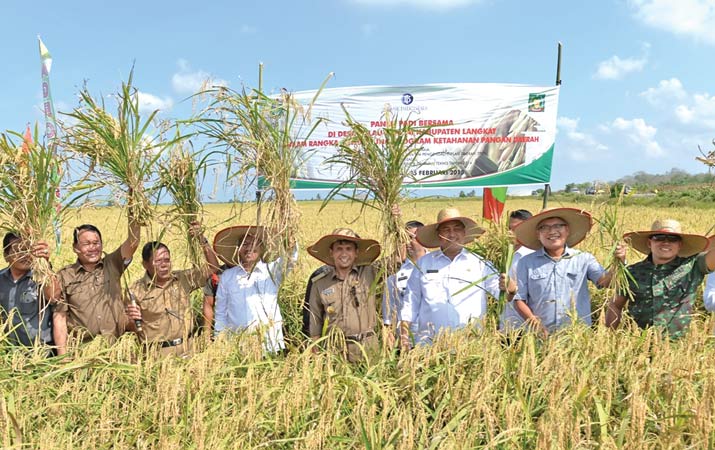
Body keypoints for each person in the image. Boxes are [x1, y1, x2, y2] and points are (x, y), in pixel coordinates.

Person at [511, 208, 625, 336]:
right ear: (538, 234)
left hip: (577, 336)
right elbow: (519, 299)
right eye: (544, 227)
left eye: (558, 226)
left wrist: (619, 262)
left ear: (567, 230)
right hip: (540, 337)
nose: (552, 231)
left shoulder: (584, 259)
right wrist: (536, 325)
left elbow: (606, 282)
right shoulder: (526, 262)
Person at [399, 208, 500, 347]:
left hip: (470, 345)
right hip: (429, 347)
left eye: (457, 229)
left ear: (464, 233)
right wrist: (404, 335)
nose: (452, 234)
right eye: (446, 229)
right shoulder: (424, 263)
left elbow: (501, 293)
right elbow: (411, 301)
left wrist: (510, 289)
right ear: (439, 234)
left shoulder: (480, 263)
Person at [46, 216, 141, 355]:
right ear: (75, 248)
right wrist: (63, 358)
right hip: (83, 353)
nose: (93, 248)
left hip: (117, 350)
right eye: (87, 244)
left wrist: (135, 206)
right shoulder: (65, 276)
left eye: (96, 243)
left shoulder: (112, 264)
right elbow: (60, 318)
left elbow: (133, 241)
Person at [606, 220, 715, 338]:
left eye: (673, 239)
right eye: (659, 237)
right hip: (636, 344)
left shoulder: (693, 266)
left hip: (678, 348)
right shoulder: (632, 272)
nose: (666, 242)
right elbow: (616, 305)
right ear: (649, 242)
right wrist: (610, 337)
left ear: (680, 244)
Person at [125, 222, 218, 357]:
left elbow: (213, 268)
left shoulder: (182, 279)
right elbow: (128, 327)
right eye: (158, 261)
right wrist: (130, 320)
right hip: (157, 356)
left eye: (167, 260)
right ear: (145, 264)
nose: (164, 265)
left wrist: (201, 240)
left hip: (189, 351)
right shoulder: (135, 291)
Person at [213, 225, 296, 353]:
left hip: (270, 345)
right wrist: (219, 341)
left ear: (261, 248)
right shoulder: (227, 277)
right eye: (244, 244)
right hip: (238, 347)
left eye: (253, 244)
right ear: (238, 249)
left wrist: (291, 243)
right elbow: (221, 313)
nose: (249, 248)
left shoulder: (272, 271)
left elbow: (289, 260)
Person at [306, 228, 381, 362]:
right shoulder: (320, 283)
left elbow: (398, 259)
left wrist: (395, 219)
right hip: (336, 350)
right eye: (339, 249)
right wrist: (315, 350)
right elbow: (315, 320)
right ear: (331, 253)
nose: (344, 253)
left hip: (367, 348)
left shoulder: (370, 273)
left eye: (348, 248)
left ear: (356, 252)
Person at [0, 233, 53, 347]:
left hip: (39, 351)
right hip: (9, 349)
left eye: (29, 250)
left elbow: (53, 297)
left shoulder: (42, 277)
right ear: (6, 256)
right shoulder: (1, 279)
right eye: (19, 251)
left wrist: (45, 265)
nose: (25, 255)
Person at [382, 220, 427, 348]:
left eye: (412, 238)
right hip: (405, 342)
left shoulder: (437, 265)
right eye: (404, 238)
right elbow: (389, 308)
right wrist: (389, 334)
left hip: (434, 340)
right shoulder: (395, 271)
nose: (408, 243)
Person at [498, 209, 534, 332]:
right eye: (509, 228)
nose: (510, 233)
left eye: (516, 229)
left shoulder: (534, 257)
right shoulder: (500, 255)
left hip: (528, 328)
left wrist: (514, 290)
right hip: (505, 326)